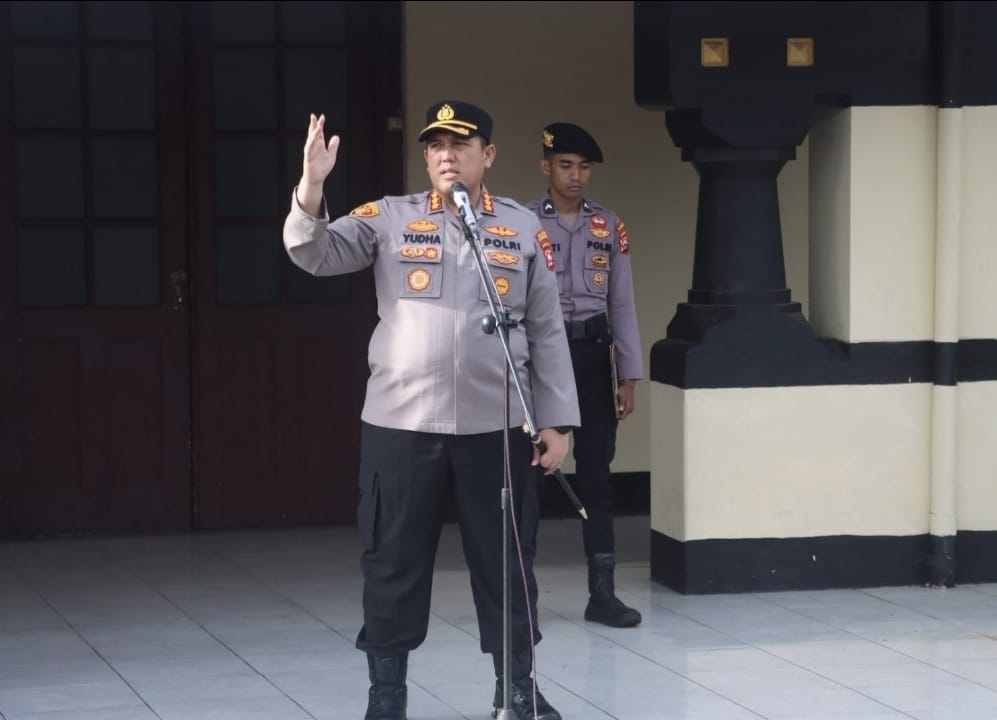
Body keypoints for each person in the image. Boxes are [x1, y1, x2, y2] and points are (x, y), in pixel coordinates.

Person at [283, 101, 579, 720]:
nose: (447, 156)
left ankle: (517, 689)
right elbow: (313, 253)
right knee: (392, 563)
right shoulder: (389, 218)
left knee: (507, 563)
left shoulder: (521, 227)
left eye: (460, 144)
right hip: (401, 425)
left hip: (496, 426)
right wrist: (312, 185)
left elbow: (547, 332)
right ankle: (386, 696)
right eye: (436, 146)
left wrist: (556, 422)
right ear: (425, 158)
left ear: (487, 155)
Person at [527, 122, 645, 628]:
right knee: (532, 475)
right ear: (546, 167)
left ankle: (603, 595)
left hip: (595, 357)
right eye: (565, 165)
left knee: (597, 475)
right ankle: (522, 598)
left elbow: (622, 303)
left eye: (584, 167)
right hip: (542, 357)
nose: (575, 176)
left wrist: (629, 374)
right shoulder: (523, 223)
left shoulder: (609, 226)